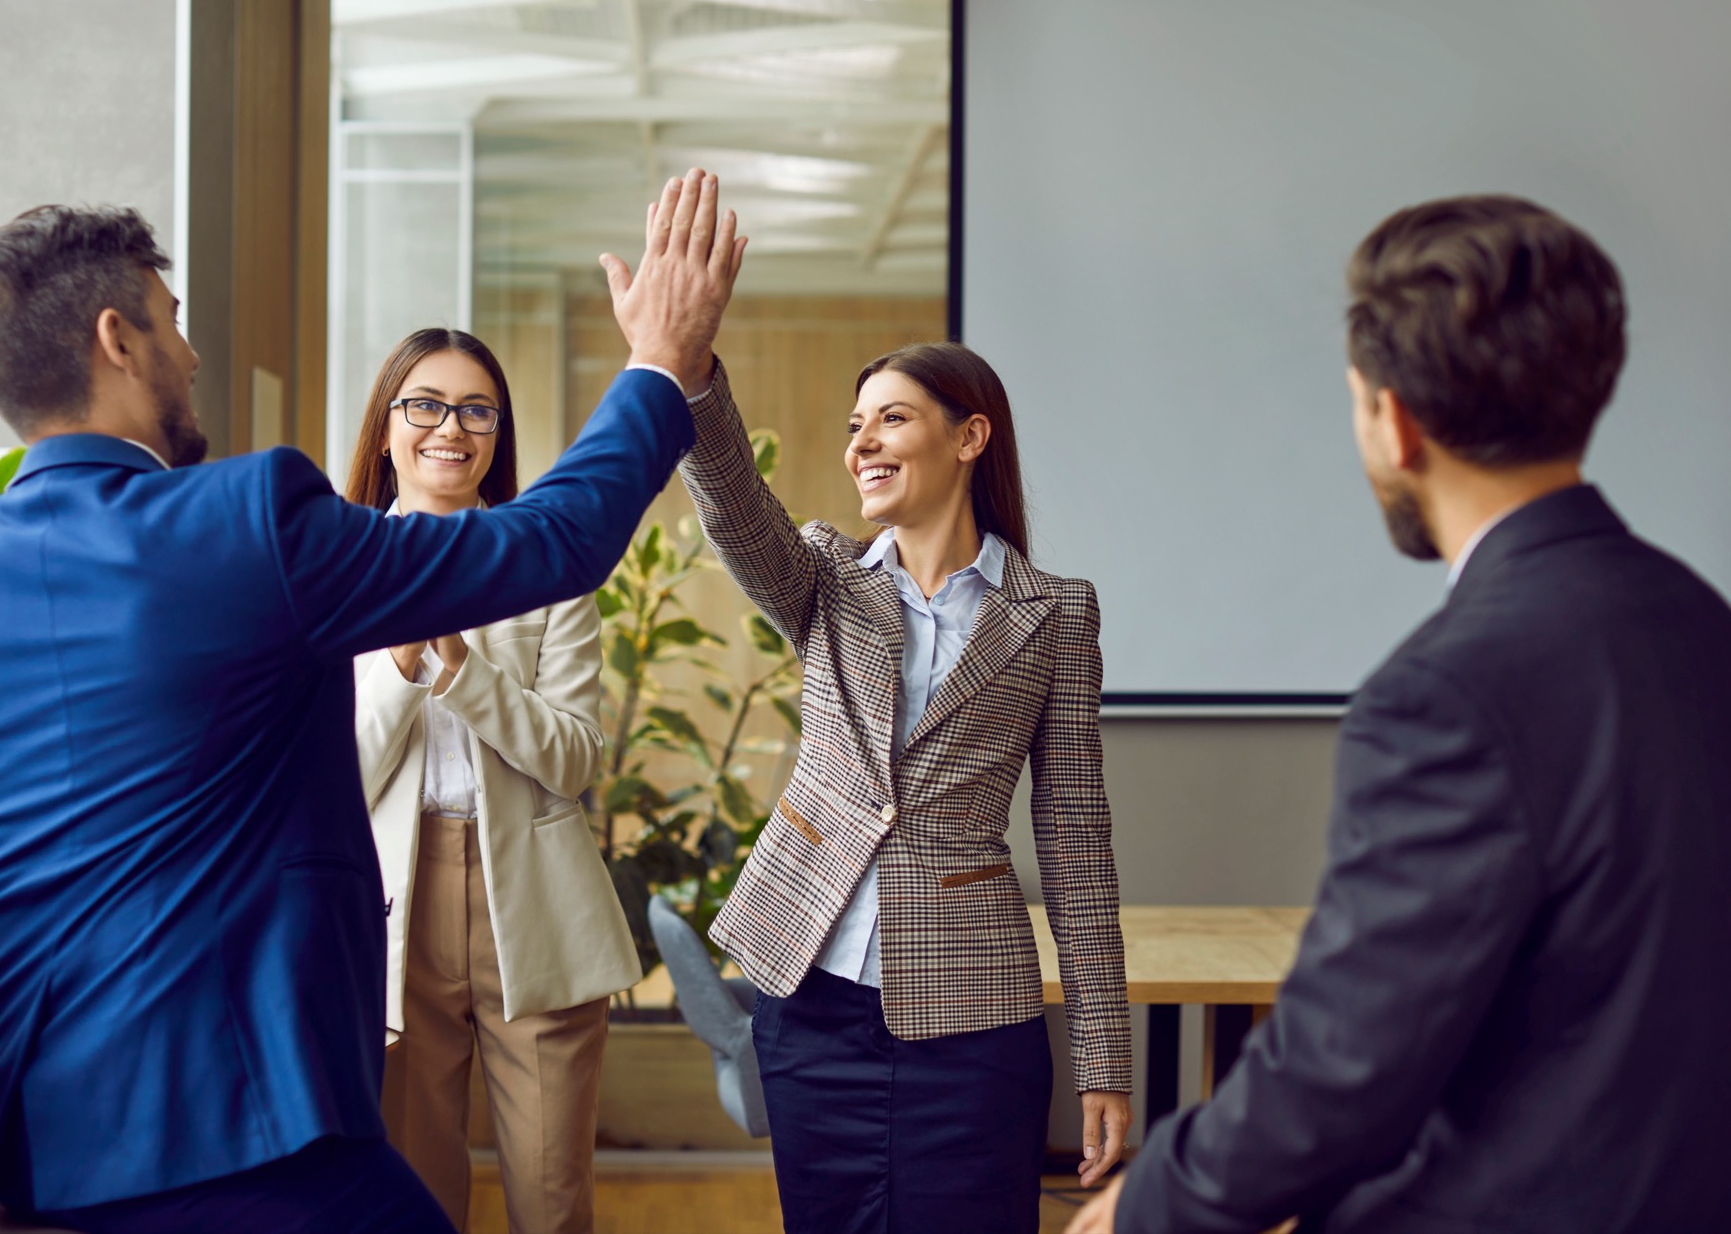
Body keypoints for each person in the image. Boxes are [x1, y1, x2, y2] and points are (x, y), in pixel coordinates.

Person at [0, 171, 745, 1233]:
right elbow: (552, 539)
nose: (192, 352)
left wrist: (59, 982)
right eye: (173, 323)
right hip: (243, 1122)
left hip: (29, 1134)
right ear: (116, 340)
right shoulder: (246, 522)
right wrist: (659, 362)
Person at [1068, 196, 1731, 1234]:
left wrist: (1143, 1205)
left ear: (1395, 420)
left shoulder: (1445, 693)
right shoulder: (1700, 620)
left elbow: (1343, 1068)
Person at [650, 330, 1132, 1234]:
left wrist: (1105, 1057)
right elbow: (733, 503)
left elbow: (1075, 843)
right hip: (810, 997)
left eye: (892, 419)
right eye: (854, 425)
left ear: (969, 437)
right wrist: (689, 371)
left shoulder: (1056, 614)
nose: (861, 443)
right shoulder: (826, 577)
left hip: (971, 1012)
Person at [345, 327, 637, 1233]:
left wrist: (467, 675)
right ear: (387, 424)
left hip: (536, 906)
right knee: (415, 1198)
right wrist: (400, 668)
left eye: (476, 409)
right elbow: (332, 779)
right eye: (425, 404)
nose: (451, 428)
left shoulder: (544, 566)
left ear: (499, 432)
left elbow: (576, 759)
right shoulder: (336, 567)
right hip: (389, 908)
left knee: (552, 1200)